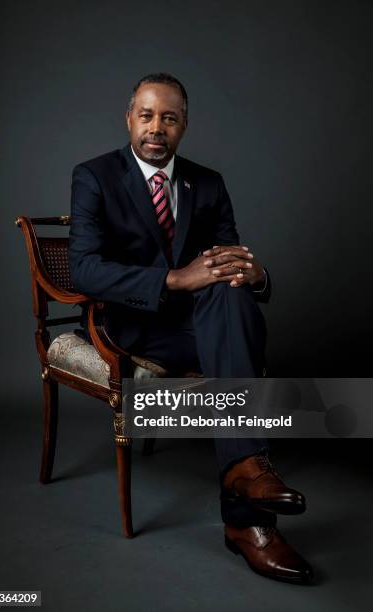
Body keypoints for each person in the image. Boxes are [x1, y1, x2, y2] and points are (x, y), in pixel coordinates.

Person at [69, 73, 313, 584]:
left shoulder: (207, 182)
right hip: (134, 325)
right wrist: (176, 278)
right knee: (233, 333)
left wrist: (257, 274)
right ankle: (250, 503)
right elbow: (85, 269)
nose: (157, 128)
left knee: (232, 292)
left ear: (185, 126)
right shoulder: (94, 176)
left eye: (170, 118)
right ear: (129, 118)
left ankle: (245, 493)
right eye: (147, 115)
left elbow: (230, 257)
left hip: (202, 325)